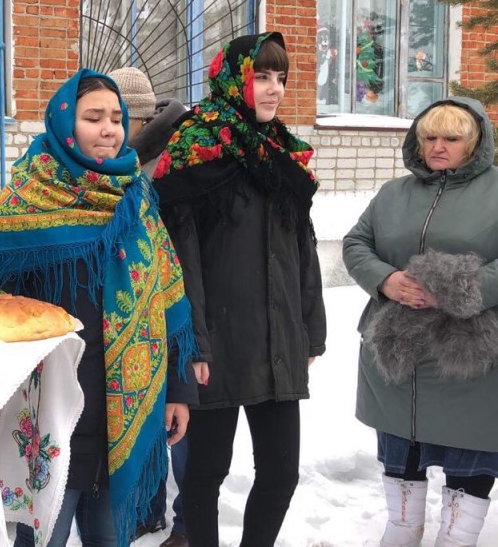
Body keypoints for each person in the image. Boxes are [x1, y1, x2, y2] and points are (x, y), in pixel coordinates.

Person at [0, 68, 198, 547]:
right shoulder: (27, 199)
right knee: (41, 540)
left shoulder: (136, 196)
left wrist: (178, 389)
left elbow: (166, 296)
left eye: (116, 118)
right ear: (64, 123)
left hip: (125, 413)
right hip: (50, 420)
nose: (109, 129)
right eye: (93, 117)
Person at [151, 32, 326, 547]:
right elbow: (181, 261)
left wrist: (311, 328)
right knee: (205, 473)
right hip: (217, 344)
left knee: (281, 474)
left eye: (281, 78)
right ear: (234, 80)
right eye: (261, 76)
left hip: (277, 341)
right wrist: (193, 342)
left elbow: (303, 249)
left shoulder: (282, 154)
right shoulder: (197, 149)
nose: (274, 89)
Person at [342, 97, 497, 547]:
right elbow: (356, 243)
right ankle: (402, 530)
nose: (438, 147)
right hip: (399, 357)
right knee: (401, 453)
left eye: (451, 138)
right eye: (429, 137)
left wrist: (454, 289)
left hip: (469, 359)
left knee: (469, 454)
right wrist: (385, 279)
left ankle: (457, 537)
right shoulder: (394, 193)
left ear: (475, 142)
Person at [108, 66, 192, 546]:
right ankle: (149, 510)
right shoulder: (126, 161)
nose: (111, 130)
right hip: (139, 300)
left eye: (119, 118)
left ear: (138, 118)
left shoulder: (169, 160)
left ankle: (182, 521)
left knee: (178, 423)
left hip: (178, 298)